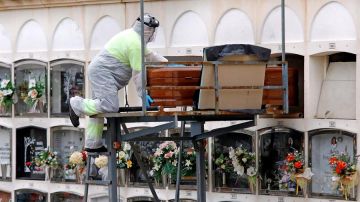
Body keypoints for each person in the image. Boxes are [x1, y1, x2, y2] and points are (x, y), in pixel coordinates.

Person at [69, 14, 168, 152]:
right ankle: (76, 104)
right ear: (149, 30)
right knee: (109, 106)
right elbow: (138, 73)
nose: (154, 35)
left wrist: (168, 64)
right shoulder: (135, 44)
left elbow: (151, 56)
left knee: (97, 106)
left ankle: (93, 143)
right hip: (103, 73)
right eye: (153, 31)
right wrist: (143, 93)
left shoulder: (133, 36)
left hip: (100, 71)